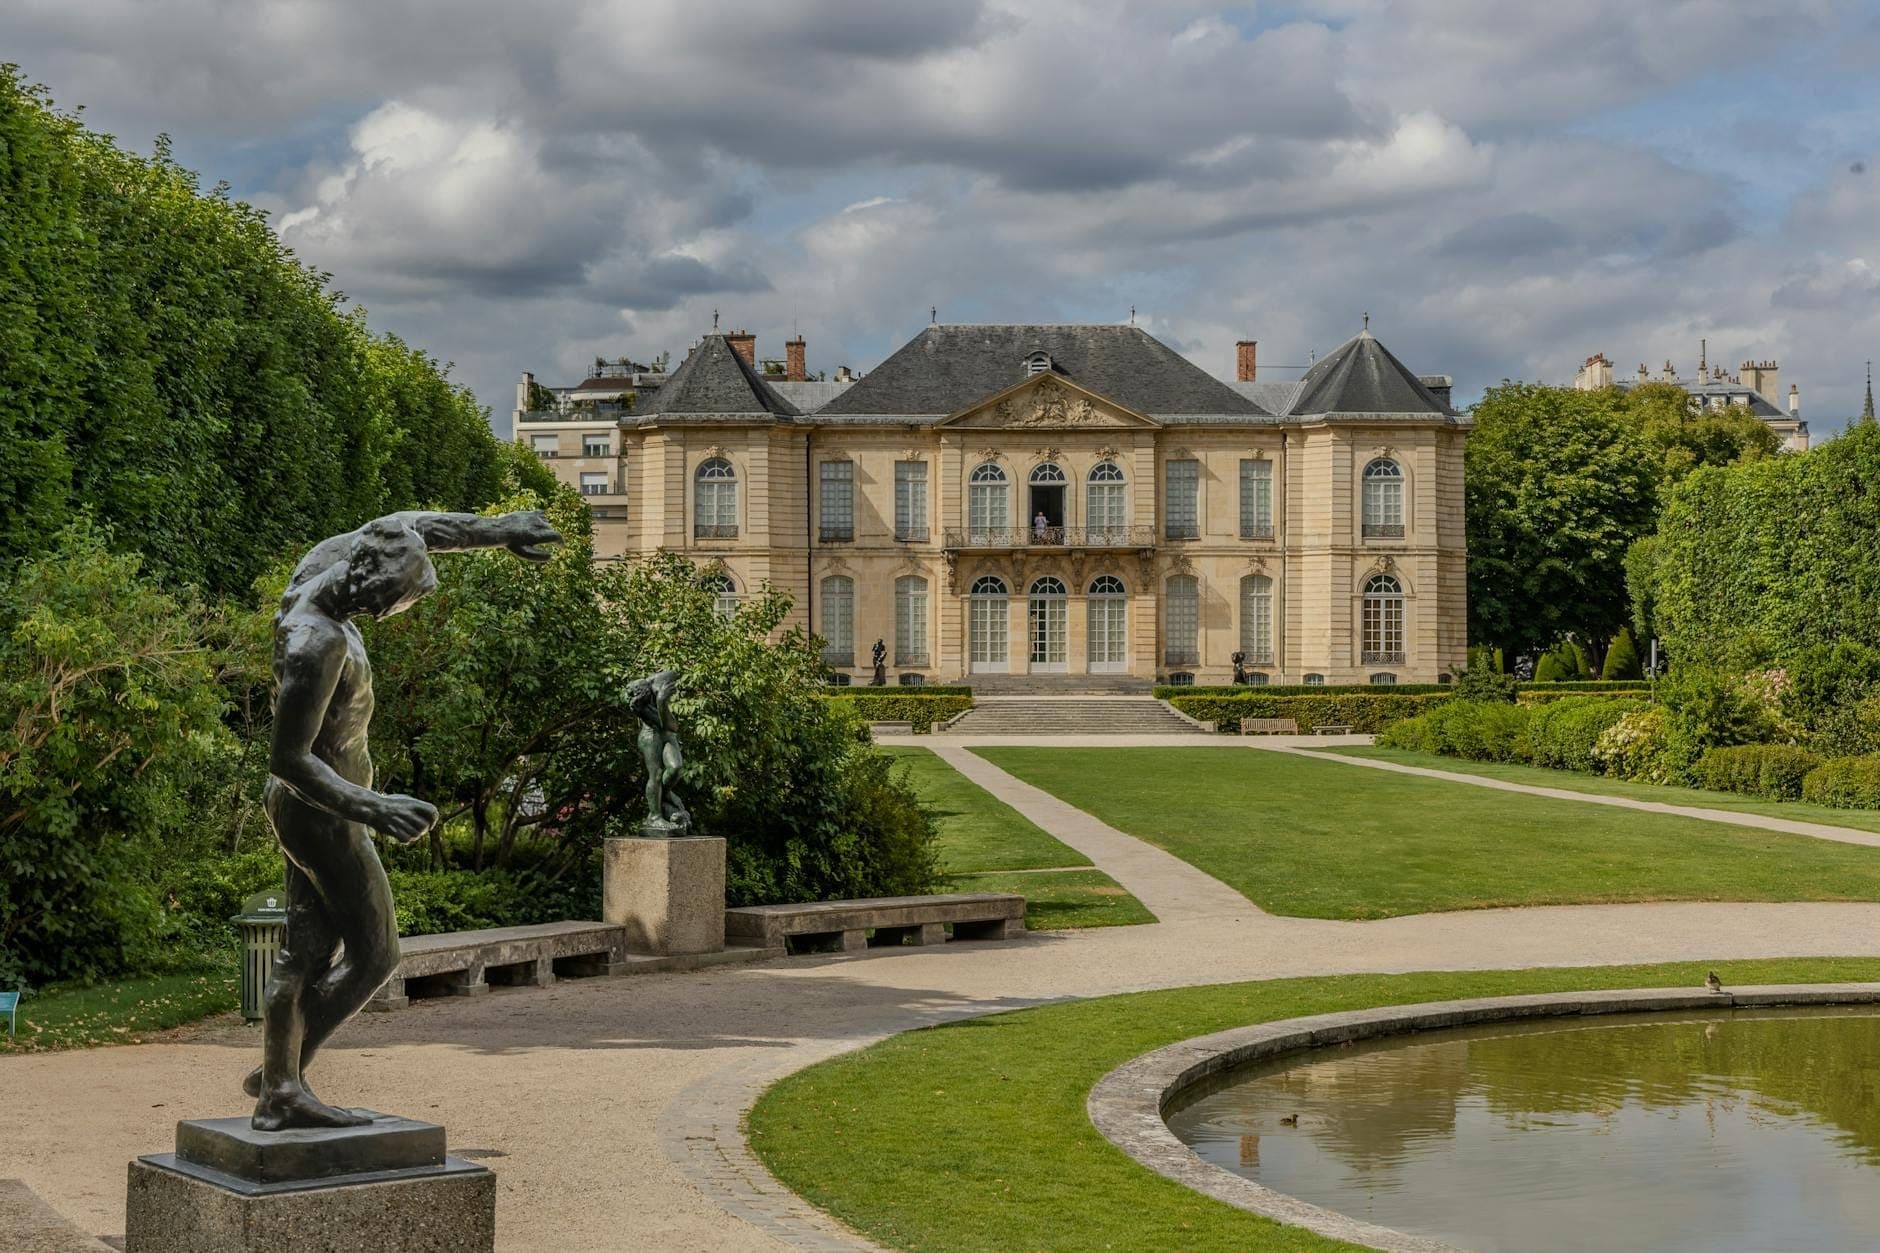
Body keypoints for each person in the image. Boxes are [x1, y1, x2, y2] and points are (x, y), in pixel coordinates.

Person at [246, 509, 561, 1131]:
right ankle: (282, 1078)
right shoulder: (320, 641)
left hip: (316, 811)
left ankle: (279, 1079)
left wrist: (501, 532)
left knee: (303, 953)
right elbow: (287, 758)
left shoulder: (324, 563)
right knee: (377, 952)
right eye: (393, 604)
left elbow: (415, 525)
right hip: (322, 814)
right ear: (367, 583)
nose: (394, 614)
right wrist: (375, 806)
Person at [626, 669, 690, 836]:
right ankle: (655, 817)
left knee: (676, 768)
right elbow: (671, 725)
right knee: (655, 775)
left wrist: (676, 674)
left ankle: (665, 793)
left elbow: (675, 672)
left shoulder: (653, 683)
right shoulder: (639, 707)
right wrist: (662, 701)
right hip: (651, 737)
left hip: (667, 737)